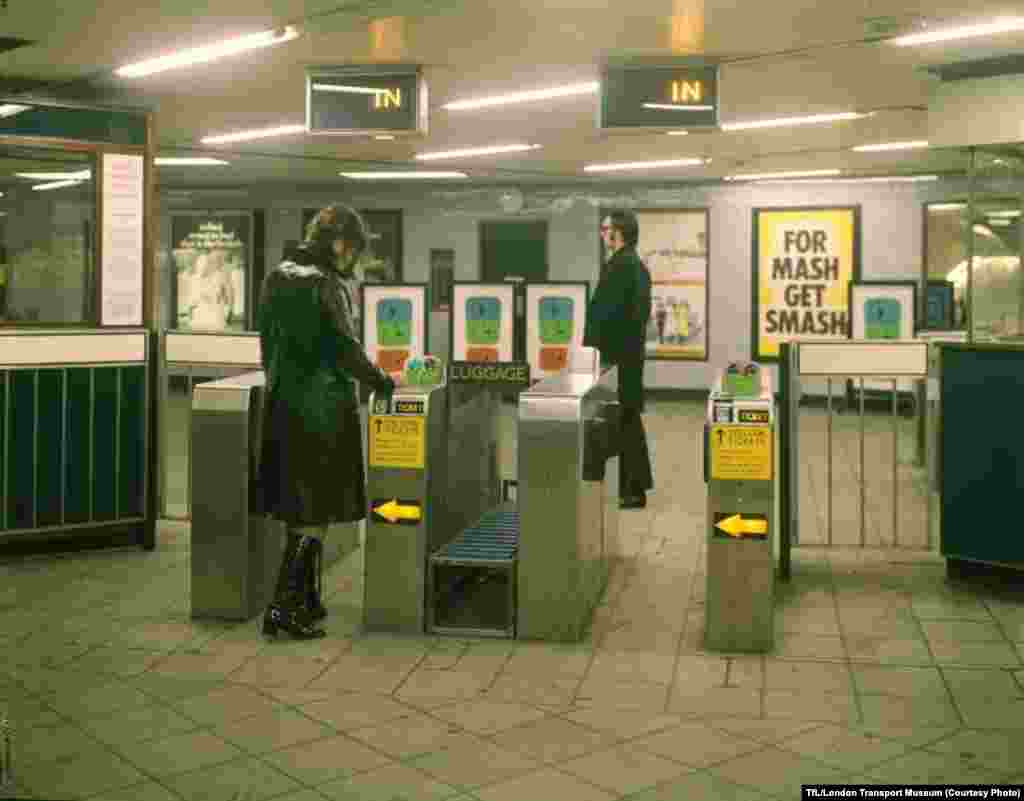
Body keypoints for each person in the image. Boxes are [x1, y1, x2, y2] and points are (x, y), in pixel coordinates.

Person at [257, 203, 396, 639]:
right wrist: (382, 382)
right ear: (339, 244)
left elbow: (267, 342)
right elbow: (344, 347)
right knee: (313, 511)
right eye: (352, 249)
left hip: (283, 404)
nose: (352, 258)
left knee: (299, 508)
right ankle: (283, 607)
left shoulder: (276, 275)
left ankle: (307, 600)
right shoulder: (327, 283)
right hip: (322, 411)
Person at [583, 210, 654, 509]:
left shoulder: (619, 268)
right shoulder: (637, 267)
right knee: (627, 422)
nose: (602, 235)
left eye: (606, 229)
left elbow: (606, 317)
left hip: (616, 361)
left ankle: (632, 489)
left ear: (618, 233)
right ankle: (631, 487)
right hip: (629, 359)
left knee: (623, 422)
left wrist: (593, 355)